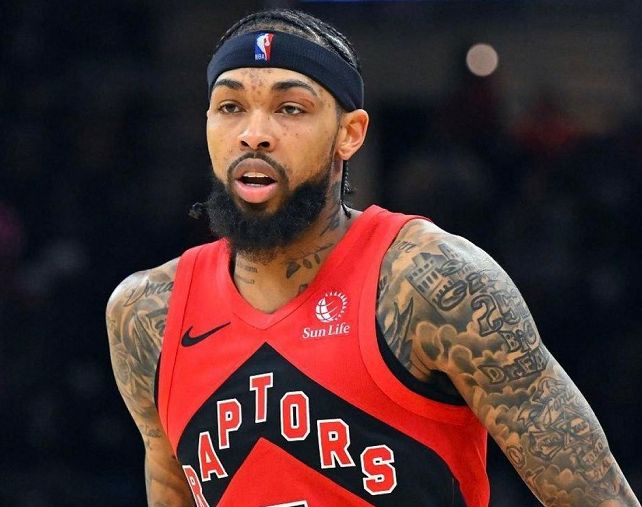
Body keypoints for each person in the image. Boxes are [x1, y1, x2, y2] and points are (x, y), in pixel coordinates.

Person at [106, 9, 640, 507]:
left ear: (350, 133)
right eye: (230, 107)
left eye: (290, 108)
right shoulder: (147, 313)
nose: (254, 134)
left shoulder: (433, 283)